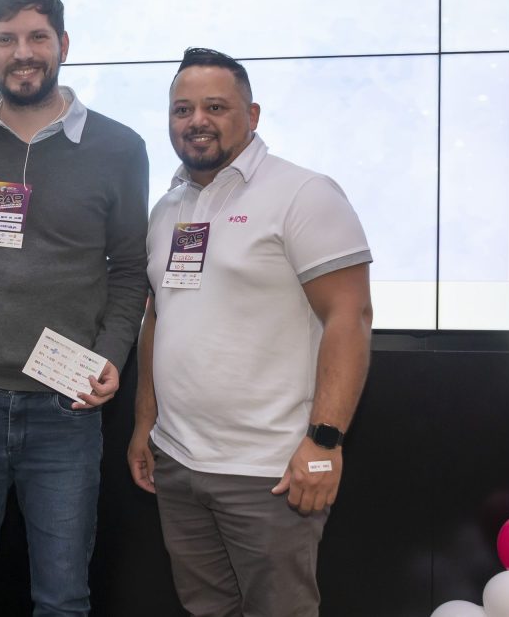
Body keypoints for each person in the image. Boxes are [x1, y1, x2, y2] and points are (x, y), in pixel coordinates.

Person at [0, 0, 149, 616]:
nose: (22, 52)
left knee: (63, 598)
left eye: (37, 37)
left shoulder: (119, 147)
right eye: (6, 39)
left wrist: (109, 356)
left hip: (66, 406)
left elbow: (130, 270)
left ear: (63, 45)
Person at [127, 47, 373, 617]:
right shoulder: (169, 207)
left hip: (269, 471)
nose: (197, 121)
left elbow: (350, 317)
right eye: (182, 109)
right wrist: (145, 424)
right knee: (206, 609)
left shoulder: (303, 194)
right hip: (179, 461)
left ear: (252, 114)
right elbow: (158, 316)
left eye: (215, 107)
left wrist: (325, 443)